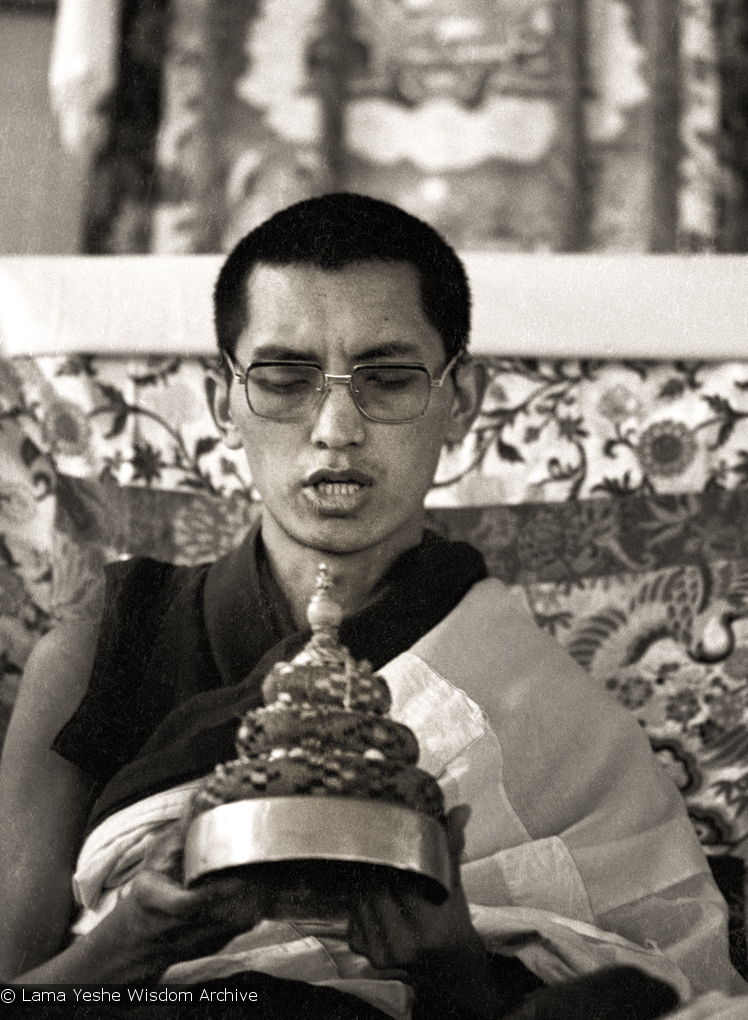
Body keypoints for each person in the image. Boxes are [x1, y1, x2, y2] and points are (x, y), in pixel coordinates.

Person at [0, 193, 740, 1017]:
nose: (336, 427)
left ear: (462, 398)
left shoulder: (542, 706)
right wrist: (131, 940)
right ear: (223, 400)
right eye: (284, 379)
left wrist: (451, 964)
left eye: (388, 379)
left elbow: (687, 978)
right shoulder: (105, 641)